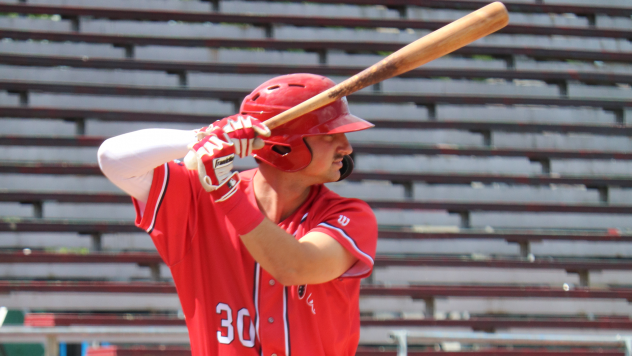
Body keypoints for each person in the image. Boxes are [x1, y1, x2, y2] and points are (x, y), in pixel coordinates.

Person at [98, 73, 378, 356]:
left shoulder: (351, 215)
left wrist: (226, 194)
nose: (347, 146)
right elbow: (112, 159)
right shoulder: (200, 195)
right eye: (329, 135)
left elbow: (295, 267)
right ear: (284, 144)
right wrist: (202, 138)